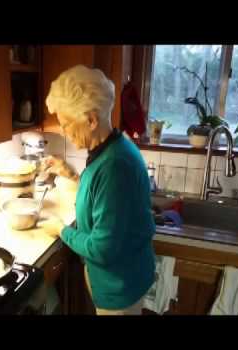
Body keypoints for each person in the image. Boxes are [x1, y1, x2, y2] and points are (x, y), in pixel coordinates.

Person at [40, 65, 156, 315]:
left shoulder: (115, 166)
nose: (64, 132)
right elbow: (102, 195)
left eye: (66, 125)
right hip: (123, 276)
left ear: (91, 120)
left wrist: (61, 229)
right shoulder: (113, 147)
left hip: (119, 286)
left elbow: (101, 249)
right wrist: (71, 174)